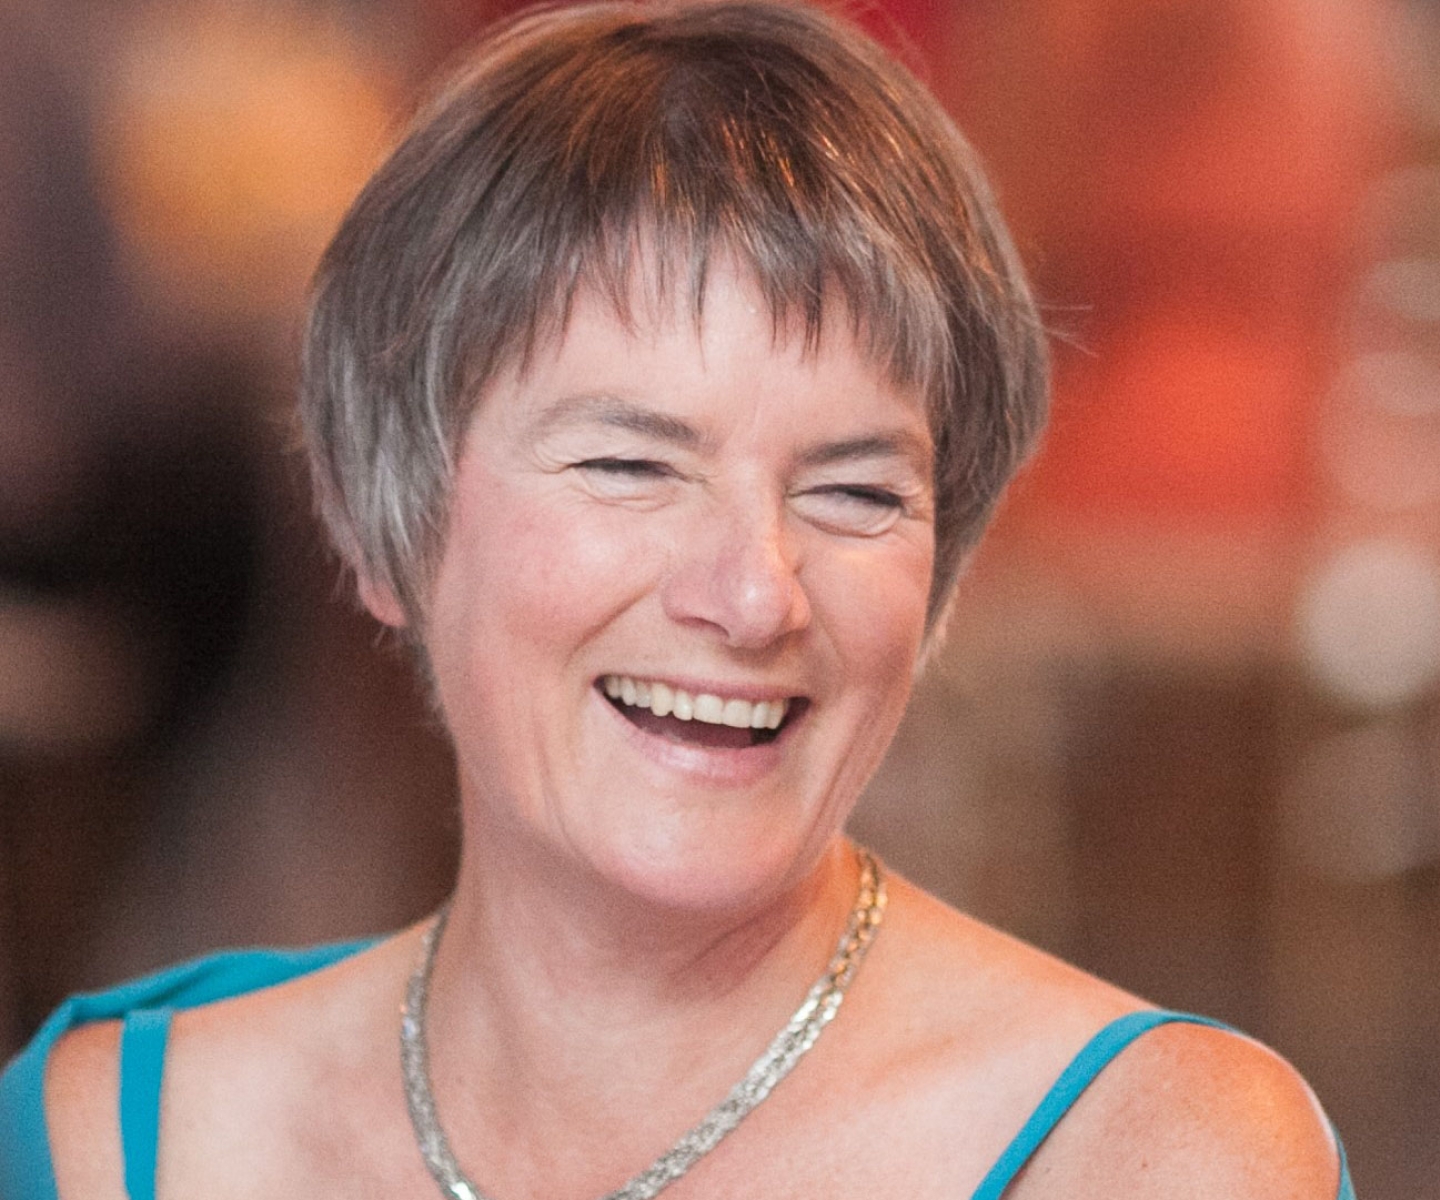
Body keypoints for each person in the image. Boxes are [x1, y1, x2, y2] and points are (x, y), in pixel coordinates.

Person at [3, 3, 1354, 1197]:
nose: (755, 593)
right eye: (631, 465)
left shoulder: (1153, 1158)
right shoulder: (114, 1143)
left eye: (854, 492)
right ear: (381, 524)